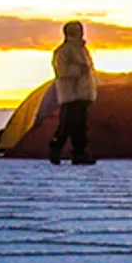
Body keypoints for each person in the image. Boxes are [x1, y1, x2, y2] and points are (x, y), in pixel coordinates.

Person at [49, 20, 97, 165]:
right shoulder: (64, 51)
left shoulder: (82, 49)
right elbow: (61, 70)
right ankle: (56, 147)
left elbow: (89, 71)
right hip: (71, 94)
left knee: (81, 126)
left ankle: (79, 153)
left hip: (82, 94)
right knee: (67, 124)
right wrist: (78, 71)